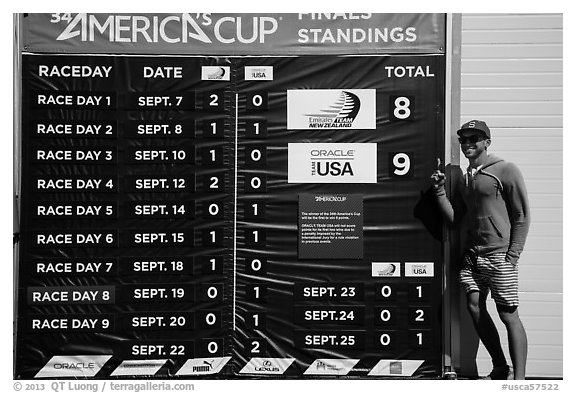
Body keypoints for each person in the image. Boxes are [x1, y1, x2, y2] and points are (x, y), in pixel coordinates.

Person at [430, 120, 530, 380]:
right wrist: (440, 191)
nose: (468, 143)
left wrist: (512, 257)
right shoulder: (466, 177)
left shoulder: (505, 170)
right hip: (472, 257)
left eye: (475, 138)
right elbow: (455, 219)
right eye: (463, 139)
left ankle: (519, 381)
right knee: (474, 306)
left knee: (508, 314)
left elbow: (522, 215)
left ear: (487, 141)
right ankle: (499, 368)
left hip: (499, 256)